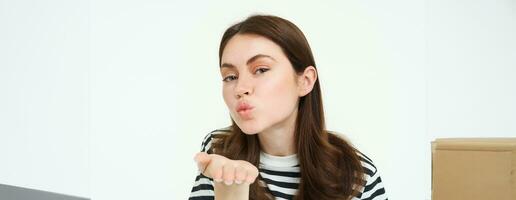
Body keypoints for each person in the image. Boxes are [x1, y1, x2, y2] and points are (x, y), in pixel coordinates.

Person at [189, 14, 387, 200]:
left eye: (261, 70)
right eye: (230, 77)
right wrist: (230, 192)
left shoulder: (356, 174)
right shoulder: (219, 152)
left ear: (305, 81)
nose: (240, 88)